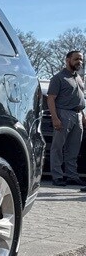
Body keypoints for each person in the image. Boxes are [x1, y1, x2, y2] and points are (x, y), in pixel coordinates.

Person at [47, 49, 86, 186]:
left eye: (81, 59)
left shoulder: (79, 77)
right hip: (63, 114)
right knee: (57, 147)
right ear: (68, 60)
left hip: (78, 115)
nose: (79, 61)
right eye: (76, 59)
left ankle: (72, 176)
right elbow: (50, 99)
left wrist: (83, 115)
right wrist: (55, 118)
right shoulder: (58, 78)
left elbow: (80, 98)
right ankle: (57, 176)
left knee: (73, 149)